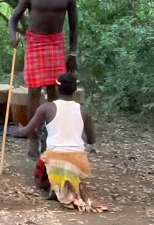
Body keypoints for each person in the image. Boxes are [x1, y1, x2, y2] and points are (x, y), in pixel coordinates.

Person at [9, 0, 78, 158]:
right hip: (36, 43)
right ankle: (32, 137)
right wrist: (13, 35)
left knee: (53, 91)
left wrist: (72, 54)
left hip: (56, 43)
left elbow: (74, 27)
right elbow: (13, 19)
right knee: (33, 91)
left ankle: (50, 137)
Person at [10, 73, 106, 212]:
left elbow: (26, 131)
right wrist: (81, 135)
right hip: (78, 160)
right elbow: (92, 140)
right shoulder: (83, 110)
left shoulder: (46, 108)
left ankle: (52, 186)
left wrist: (14, 129)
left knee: (39, 179)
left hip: (55, 157)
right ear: (74, 89)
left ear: (56, 88)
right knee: (69, 170)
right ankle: (66, 185)